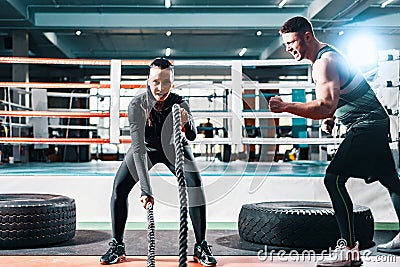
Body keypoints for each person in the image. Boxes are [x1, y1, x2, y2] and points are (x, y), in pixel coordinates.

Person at [269, 16, 400, 266]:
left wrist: (286, 106)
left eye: (292, 42)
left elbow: (325, 105)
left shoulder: (325, 62)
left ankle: (349, 250)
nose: (288, 48)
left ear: (307, 36)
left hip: (367, 125)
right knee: (391, 181)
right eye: (285, 44)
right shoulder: (320, 59)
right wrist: (333, 117)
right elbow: (338, 99)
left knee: (334, 179)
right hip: (371, 122)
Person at [100, 58, 217, 266]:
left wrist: (187, 122)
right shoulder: (137, 104)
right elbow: (138, 148)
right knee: (119, 188)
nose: (160, 88)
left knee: (196, 187)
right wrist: (146, 189)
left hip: (174, 148)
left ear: (172, 83)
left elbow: (191, 137)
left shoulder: (180, 102)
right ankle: (117, 244)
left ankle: (201, 246)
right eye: (155, 82)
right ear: (148, 80)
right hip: (146, 149)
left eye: (166, 82)